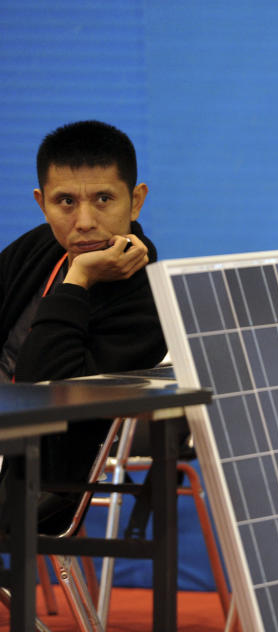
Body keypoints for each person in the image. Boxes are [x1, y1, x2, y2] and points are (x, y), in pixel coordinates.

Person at [0, 120, 167, 533]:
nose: (85, 221)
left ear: (136, 201)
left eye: (103, 198)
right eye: (66, 202)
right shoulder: (37, 248)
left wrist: (78, 280)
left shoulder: (147, 296)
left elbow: (45, 395)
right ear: (42, 203)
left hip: (40, 471)